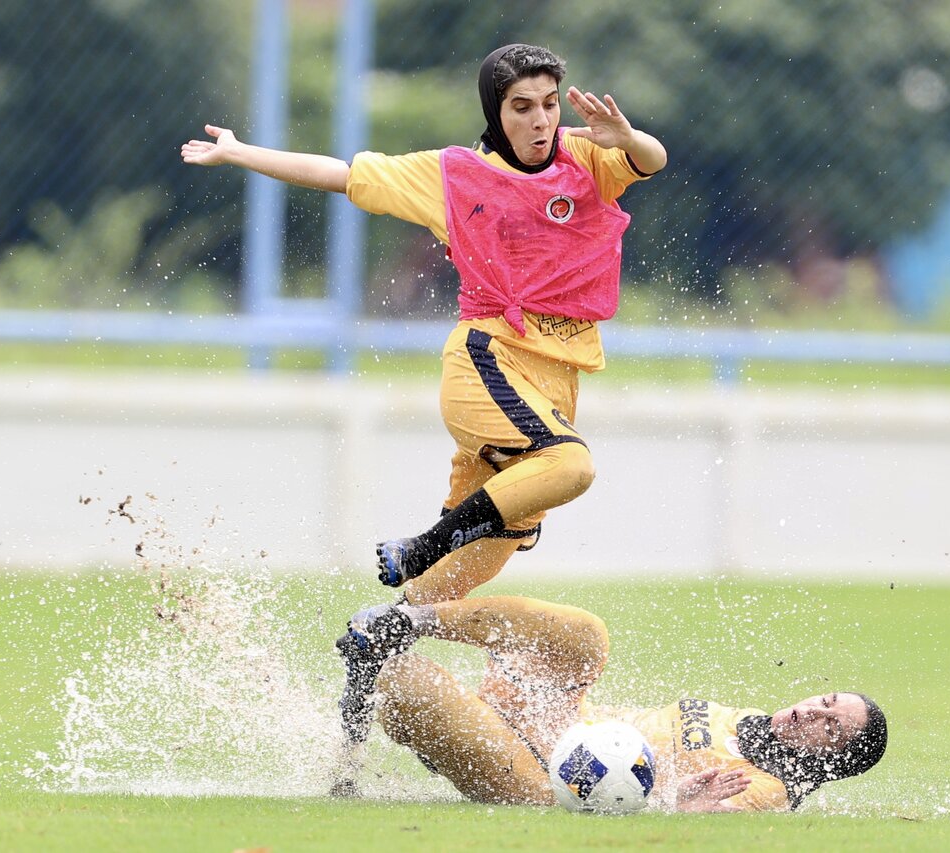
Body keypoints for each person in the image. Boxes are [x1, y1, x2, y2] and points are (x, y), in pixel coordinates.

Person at [182, 44, 667, 607]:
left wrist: (628, 139)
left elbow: (652, 160)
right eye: (521, 106)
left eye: (550, 104)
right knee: (571, 464)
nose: (541, 120)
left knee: (491, 549)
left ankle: (382, 632)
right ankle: (420, 547)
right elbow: (341, 174)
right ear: (495, 112)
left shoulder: (585, 155)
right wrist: (240, 152)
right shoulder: (453, 175)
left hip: (556, 375)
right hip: (489, 361)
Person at [334, 596, 888, 811]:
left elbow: (708, 817)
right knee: (588, 638)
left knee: (408, 681)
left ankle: (374, 684)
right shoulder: (752, 723)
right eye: (827, 701)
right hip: (554, 717)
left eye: (830, 728)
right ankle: (406, 618)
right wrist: (542, 694)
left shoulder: (768, 788)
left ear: (827, 761)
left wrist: (676, 805)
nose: (813, 711)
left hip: (541, 780)